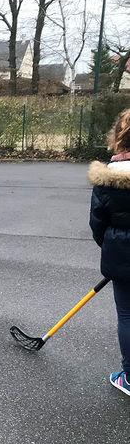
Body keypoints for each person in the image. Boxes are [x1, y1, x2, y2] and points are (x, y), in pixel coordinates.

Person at [89, 108, 130, 396]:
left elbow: (97, 223)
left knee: (127, 315)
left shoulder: (108, 176)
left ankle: (129, 378)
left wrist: (113, 249)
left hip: (122, 251)